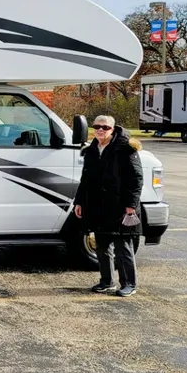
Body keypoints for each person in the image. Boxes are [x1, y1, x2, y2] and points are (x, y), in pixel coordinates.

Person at [73, 115, 143, 297]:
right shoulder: (91, 150)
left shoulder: (126, 148)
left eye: (105, 127)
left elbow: (136, 179)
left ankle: (129, 284)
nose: (100, 130)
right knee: (102, 246)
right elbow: (85, 179)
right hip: (97, 206)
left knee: (123, 247)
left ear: (113, 129)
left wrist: (131, 206)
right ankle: (106, 281)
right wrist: (79, 202)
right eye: (97, 126)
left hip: (120, 207)